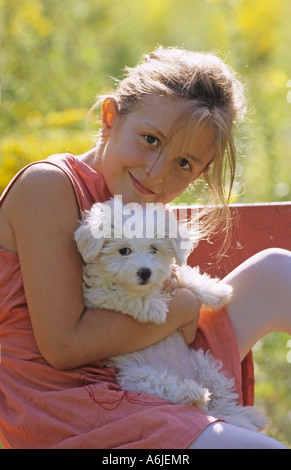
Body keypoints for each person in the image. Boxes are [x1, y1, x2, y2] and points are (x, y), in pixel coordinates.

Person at [0, 46, 289, 449]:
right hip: (73, 408)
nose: (157, 174)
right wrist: (185, 307)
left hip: (156, 363)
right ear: (109, 118)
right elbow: (65, 346)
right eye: (150, 140)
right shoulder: (48, 186)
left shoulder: (141, 206)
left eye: (184, 164)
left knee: (279, 273)